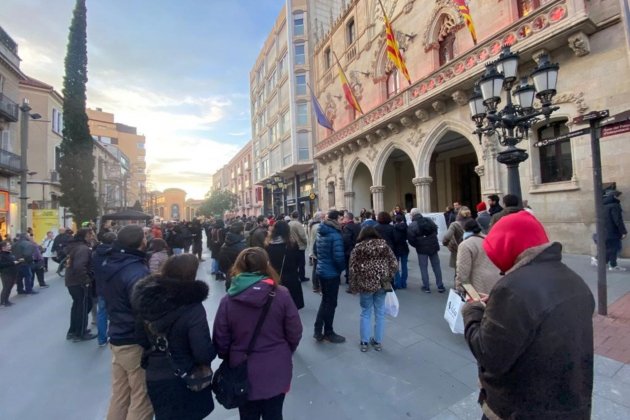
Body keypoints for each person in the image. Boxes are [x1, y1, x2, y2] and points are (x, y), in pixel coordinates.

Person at [462, 211, 595, 419]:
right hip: (572, 404)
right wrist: (499, 307)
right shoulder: (574, 279)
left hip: (521, 408)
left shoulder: (512, 289)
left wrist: (472, 311)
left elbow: (489, 354)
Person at [213, 247, 302, 420]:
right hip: (276, 364)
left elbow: (220, 339)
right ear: (267, 265)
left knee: (247, 415)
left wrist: (230, 356)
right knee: (275, 413)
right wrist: (285, 350)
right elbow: (295, 330)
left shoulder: (228, 300)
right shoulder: (281, 294)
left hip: (242, 369)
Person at [133, 254, 216, 420]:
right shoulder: (193, 308)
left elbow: (140, 337)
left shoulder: (146, 299)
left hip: (156, 371)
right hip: (185, 374)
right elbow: (202, 351)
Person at [100, 225, 154, 420]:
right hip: (133, 339)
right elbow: (143, 308)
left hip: (117, 334)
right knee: (141, 397)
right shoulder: (136, 270)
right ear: (141, 242)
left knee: (120, 395)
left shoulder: (111, 262)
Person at [348, 227, 398, 352]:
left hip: (366, 283)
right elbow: (394, 264)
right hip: (383, 282)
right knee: (380, 313)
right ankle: (378, 341)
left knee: (365, 312)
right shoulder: (384, 246)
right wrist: (388, 276)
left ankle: (364, 342)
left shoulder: (358, 248)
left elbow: (352, 269)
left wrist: (354, 287)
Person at [313, 210, 346, 343]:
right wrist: (341, 268)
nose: (342, 220)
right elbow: (338, 257)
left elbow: (316, 250)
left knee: (325, 302)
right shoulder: (335, 234)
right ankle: (328, 331)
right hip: (331, 273)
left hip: (322, 270)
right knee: (331, 303)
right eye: (341, 218)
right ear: (336, 219)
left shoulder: (322, 231)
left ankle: (317, 330)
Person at [65, 228, 97, 342]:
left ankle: (74, 330)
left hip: (72, 281)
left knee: (78, 306)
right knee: (83, 306)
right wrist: (86, 280)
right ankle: (80, 332)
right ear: (85, 236)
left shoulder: (76, 247)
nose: (92, 236)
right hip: (79, 282)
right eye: (90, 234)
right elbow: (80, 266)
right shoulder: (83, 249)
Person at [455, 219, 501, 296]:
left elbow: (463, 270)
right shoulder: (491, 239)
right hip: (497, 280)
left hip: (478, 283)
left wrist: (460, 286)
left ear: (464, 230)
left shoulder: (465, 245)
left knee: (480, 306)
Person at [266, 220, 304, 310]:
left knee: (276, 306)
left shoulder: (268, 245)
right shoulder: (292, 244)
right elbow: (298, 261)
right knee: (291, 306)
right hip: (291, 277)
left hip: (274, 278)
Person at [407, 208, 444, 293]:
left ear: (412, 215)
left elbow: (411, 239)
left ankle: (426, 286)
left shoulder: (412, 225)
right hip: (433, 246)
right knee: (436, 266)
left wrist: (417, 245)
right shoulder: (428, 220)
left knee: (423, 267)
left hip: (421, 248)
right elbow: (435, 229)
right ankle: (440, 285)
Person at [92, 231, 117, 347]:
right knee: (115, 313)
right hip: (114, 287)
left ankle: (101, 339)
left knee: (101, 312)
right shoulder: (114, 253)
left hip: (100, 286)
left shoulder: (95, 253)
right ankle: (114, 336)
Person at [218, 221, 247, 290]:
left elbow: (221, 261)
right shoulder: (241, 246)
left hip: (229, 275)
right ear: (240, 231)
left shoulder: (225, 243)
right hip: (239, 279)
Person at [442, 206, 473, 273]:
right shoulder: (473, 223)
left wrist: (446, 244)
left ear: (459, 214)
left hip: (458, 250)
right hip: (472, 250)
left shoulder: (455, 224)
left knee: (458, 273)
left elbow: (446, 237)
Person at [603, 190, 627, 271]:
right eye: (617, 196)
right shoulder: (614, 206)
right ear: (613, 196)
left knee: (611, 248)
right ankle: (612, 265)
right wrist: (623, 232)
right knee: (615, 248)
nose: (618, 197)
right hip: (613, 231)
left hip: (606, 231)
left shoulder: (604, 205)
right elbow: (618, 220)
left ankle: (604, 261)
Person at [341, 212, 361, 288]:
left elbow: (346, 240)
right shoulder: (358, 226)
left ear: (347, 218)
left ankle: (351, 283)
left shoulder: (347, 227)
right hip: (357, 248)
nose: (343, 219)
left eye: (344, 218)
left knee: (349, 266)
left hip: (349, 250)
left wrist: (345, 248)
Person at [288, 211, 309, 282]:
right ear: (298, 216)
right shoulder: (298, 224)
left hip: (292, 245)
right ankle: (301, 277)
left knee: (295, 262)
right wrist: (306, 242)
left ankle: (295, 276)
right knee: (301, 263)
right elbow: (302, 235)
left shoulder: (289, 223)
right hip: (299, 245)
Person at [0, 241, 21, 306]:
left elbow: (12, 260)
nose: (10, 246)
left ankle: (5, 300)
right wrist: (13, 263)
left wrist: (18, 261)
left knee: (9, 287)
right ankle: (3, 301)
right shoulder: (2, 255)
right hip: (6, 273)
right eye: (8, 245)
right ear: (3, 247)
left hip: (12, 273)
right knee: (6, 287)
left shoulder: (9, 253)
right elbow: (1, 265)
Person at [392, 214, 409, 289]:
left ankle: (398, 283)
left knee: (396, 267)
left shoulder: (394, 228)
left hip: (396, 248)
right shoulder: (406, 227)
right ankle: (404, 282)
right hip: (404, 247)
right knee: (404, 266)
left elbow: (394, 238)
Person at [307, 211, 323, 294]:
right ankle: (317, 286)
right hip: (316, 249)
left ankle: (315, 286)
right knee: (317, 268)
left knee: (315, 268)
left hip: (313, 248)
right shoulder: (318, 226)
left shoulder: (312, 225)